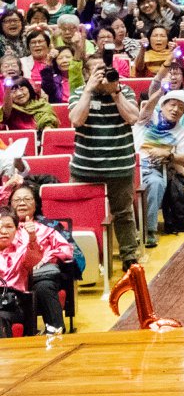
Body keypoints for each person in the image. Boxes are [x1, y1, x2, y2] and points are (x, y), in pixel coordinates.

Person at [70, 53, 141, 273]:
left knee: (123, 213)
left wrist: (115, 93)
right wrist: (88, 91)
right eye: (96, 71)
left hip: (119, 166)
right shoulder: (79, 93)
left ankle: (129, 255)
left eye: (104, 69)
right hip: (85, 168)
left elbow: (133, 117)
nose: (101, 75)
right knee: (82, 214)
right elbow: (76, 120)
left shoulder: (124, 90)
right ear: (86, 74)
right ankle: (83, 259)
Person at [9, 182, 74, 334]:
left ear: (36, 204)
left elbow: (67, 249)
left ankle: (55, 331)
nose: (22, 203)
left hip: (40, 277)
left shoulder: (48, 228)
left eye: (27, 199)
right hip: (11, 279)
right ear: (10, 204)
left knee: (44, 286)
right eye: (17, 200)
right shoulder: (5, 229)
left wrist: (47, 257)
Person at [136, 89, 184, 250]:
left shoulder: (180, 131)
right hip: (134, 166)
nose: (176, 110)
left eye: (181, 108)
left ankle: (149, 229)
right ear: (162, 106)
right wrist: (160, 91)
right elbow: (148, 106)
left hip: (153, 170)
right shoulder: (150, 117)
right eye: (172, 105)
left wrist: (167, 154)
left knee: (157, 183)